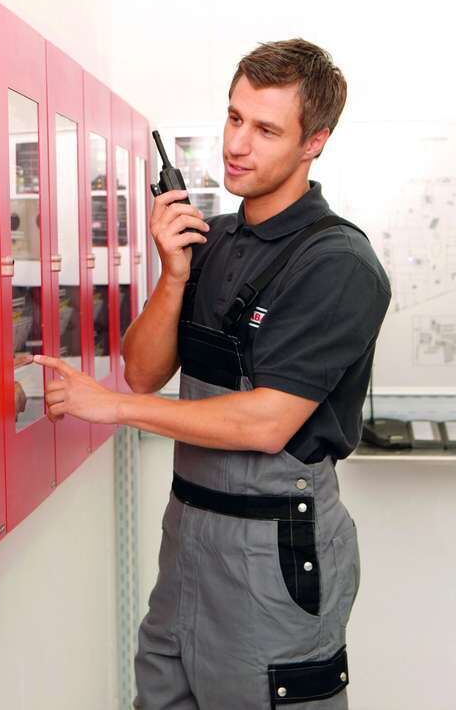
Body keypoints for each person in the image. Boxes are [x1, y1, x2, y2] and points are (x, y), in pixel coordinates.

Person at [33, 39, 391, 709]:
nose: (237, 144)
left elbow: (267, 422)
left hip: (273, 554)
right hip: (188, 537)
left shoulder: (337, 264)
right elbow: (144, 372)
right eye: (234, 118)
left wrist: (110, 408)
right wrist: (174, 274)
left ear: (314, 142)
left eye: (266, 130)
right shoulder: (213, 240)